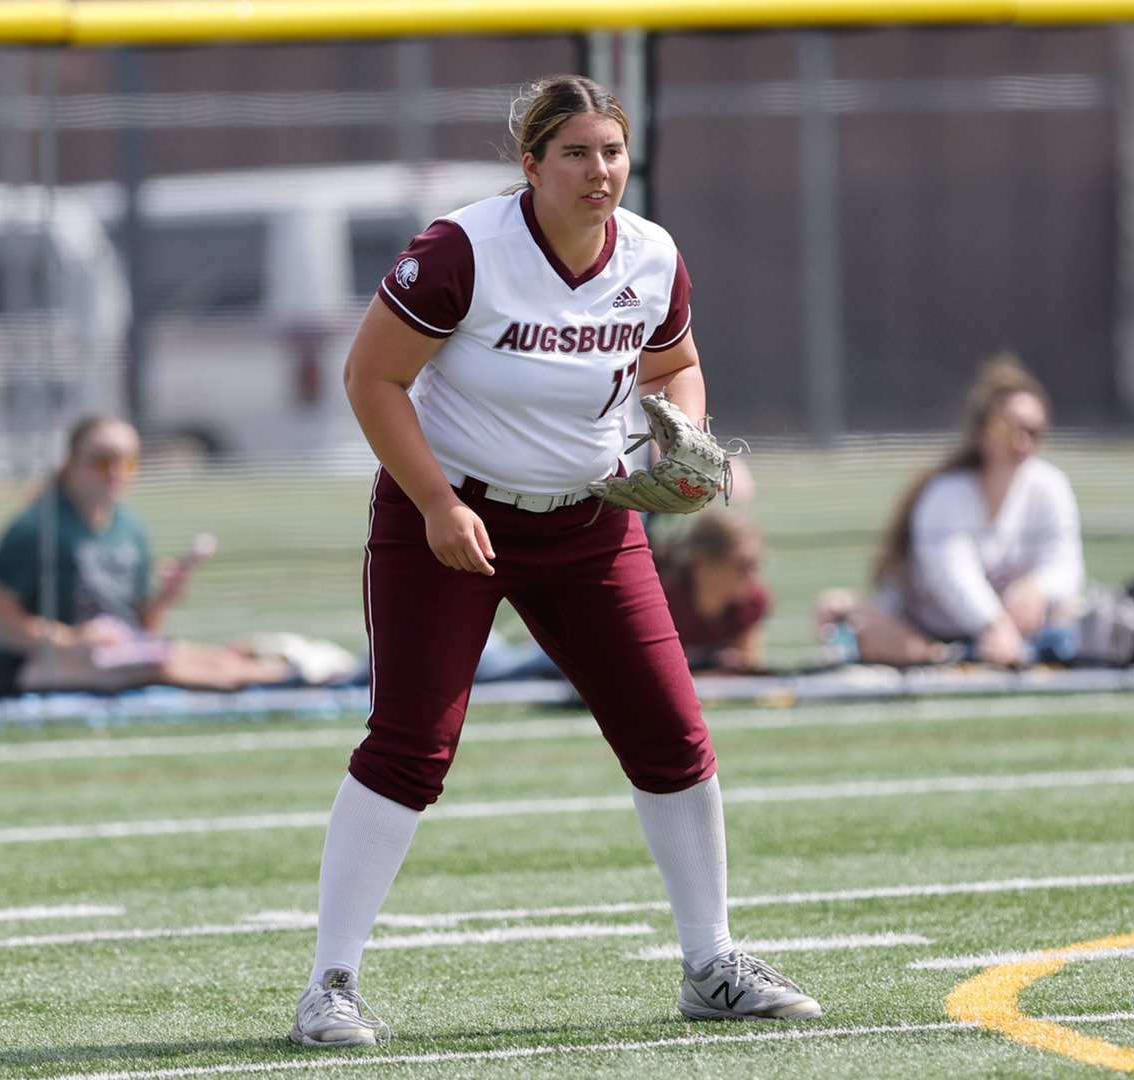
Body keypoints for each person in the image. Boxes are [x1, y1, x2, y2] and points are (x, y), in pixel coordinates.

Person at [289, 73, 820, 1049]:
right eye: (575, 152)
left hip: (590, 523)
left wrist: (684, 439)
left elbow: (673, 365)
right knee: (412, 745)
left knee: (672, 733)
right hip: (451, 519)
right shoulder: (462, 251)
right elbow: (373, 378)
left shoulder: (653, 254)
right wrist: (436, 501)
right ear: (529, 165)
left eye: (612, 151)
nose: (599, 171)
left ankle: (710, 962)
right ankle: (330, 983)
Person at [0, 415, 289, 695]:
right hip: (31, 664)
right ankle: (281, 680)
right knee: (164, 669)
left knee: (209, 657)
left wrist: (165, 597)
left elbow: (141, 627)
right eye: (102, 462)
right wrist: (72, 641)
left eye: (128, 462)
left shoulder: (129, 525)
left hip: (116, 654)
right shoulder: (38, 528)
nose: (116, 472)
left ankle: (289, 673)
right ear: (71, 464)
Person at [816, 353, 1084, 669]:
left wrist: (1036, 588)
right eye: (1007, 429)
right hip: (927, 628)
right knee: (832, 609)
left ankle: (991, 654)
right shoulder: (946, 494)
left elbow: (1067, 565)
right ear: (980, 433)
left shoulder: (1049, 486)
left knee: (1075, 611)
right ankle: (942, 658)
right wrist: (993, 624)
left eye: (1033, 431)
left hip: (1010, 629)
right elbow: (953, 578)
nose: (1021, 442)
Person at [654, 512, 771, 673]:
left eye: (755, 565)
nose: (752, 576)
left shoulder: (751, 604)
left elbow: (746, 672)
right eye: (743, 564)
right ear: (702, 564)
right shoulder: (661, 602)